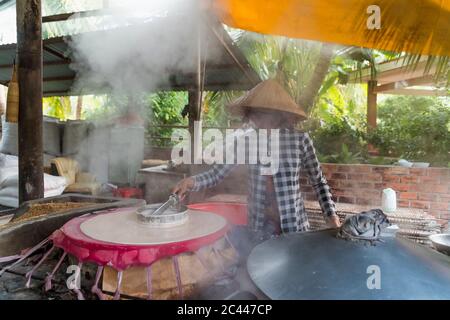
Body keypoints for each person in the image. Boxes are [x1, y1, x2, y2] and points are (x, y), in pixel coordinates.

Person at [173, 79, 341, 242]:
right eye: (256, 113)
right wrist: (191, 182)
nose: (259, 119)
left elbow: (318, 182)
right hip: (258, 228)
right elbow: (217, 174)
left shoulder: (300, 140)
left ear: (280, 115)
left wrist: (331, 215)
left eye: (265, 114)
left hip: (293, 227)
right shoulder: (244, 142)